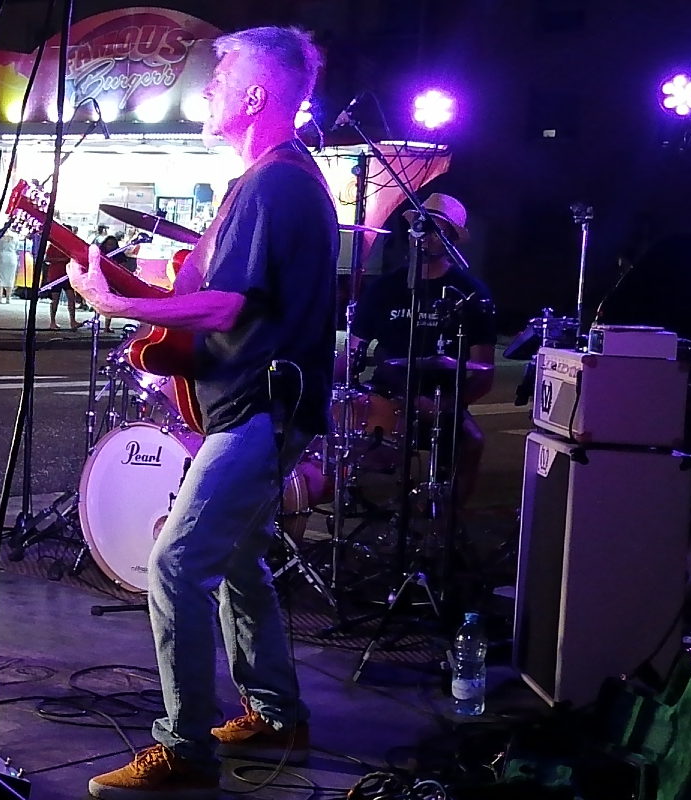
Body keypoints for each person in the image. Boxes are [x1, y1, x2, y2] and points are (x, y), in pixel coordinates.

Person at [69, 26, 337, 799]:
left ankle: (183, 750)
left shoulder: (273, 184)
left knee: (177, 565)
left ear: (256, 96)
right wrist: (149, 309)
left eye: (221, 82)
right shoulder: (272, 179)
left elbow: (226, 307)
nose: (207, 92)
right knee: (241, 561)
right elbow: (231, 308)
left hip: (262, 411)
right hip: (256, 405)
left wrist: (118, 301)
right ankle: (278, 712)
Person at [352, 193, 496, 507]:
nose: (424, 234)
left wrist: (444, 405)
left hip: (441, 400)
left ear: (452, 238)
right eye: (420, 225)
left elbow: (483, 373)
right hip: (385, 396)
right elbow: (353, 352)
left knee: (471, 442)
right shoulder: (384, 288)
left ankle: (445, 528)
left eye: (435, 228)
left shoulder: (470, 294)